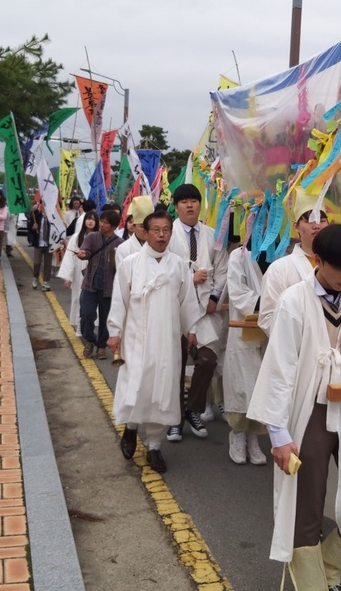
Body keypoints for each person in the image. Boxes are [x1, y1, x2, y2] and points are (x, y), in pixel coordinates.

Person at [247, 224, 341, 591]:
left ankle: (330, 565)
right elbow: (281, 367)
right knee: (309, 502)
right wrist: (279, 435)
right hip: (309, 411)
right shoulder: (294, 300)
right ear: (317, 261)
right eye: (338, 267)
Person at [107, 210, 200, 474]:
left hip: (167, 341)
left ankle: (155, 446)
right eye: (156, 230)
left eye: (166, 230)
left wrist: (191, 328)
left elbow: (187, 301)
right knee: (137, 386)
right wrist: (115, 331)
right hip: (137, 338)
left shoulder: (179, 265)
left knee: (163, 389)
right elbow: (119, 300)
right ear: (145, 233)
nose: (161, 235)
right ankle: (131, 430)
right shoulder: (130, 264)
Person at [166, 184, 228, 442]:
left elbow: (223, 269)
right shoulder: (167, 236)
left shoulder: (213, 235)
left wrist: (215, 298)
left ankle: (193, 409)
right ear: (176, 206)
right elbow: (162, 271)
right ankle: (174, 418)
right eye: (184, 202)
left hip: (205, 311)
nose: (190, 205)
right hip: (175, 311)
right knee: (175, 365)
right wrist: (189, 279)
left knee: (206, 360)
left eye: (194, 200)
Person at [222, 233, 270, 466]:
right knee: (242, 384)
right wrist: (264, 302)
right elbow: (237, 291)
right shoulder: (238, 255)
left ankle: (254, 437)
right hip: (244, 329)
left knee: (263, 384)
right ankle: (238, 434)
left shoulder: (281, 255)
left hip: (271, 330)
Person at [257, 190, 328, 336]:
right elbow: (267, 319)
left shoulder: (340, 265)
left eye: (321, 220)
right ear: (296, 227)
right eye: (309, 220)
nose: (316, 226)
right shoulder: (279, 269)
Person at [78, 209, 123, 360]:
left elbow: (122, 266)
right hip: (90, 284)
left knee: (106, 319)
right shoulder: (92, 237)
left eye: (105, 222)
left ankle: (101, 346)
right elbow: (85, 250)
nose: (101, 224)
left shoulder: (120, 244)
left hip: (109, 288)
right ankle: (90, 340)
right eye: (101, 221)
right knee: (86, 314)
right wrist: (83, 254)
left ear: (114, 226)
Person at [58, 209, 98, 334]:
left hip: (94, 272)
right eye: (88, 219)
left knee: (93, 301)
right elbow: (69, 257)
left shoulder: (99, 237)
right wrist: (67, 276)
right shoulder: (76, 238)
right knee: (78, 298)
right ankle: (80, 325)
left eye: (93, 219)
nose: (90, 221)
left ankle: (89, 325)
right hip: (79, 272)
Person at [116, 196, 154, 270]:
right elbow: (123, 276)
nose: (146, 230)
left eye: (149, 226)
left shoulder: (158, 246)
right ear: (134, 226)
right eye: (142, 226)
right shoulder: (123, 249)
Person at [28, 200, 53, 291]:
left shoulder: (53, 217)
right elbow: (29, 229)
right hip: (38, 243)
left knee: (48, 264)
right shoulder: (36, 215)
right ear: (41, 205)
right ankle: (35, 277)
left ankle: (46, 282)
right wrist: (33, 228)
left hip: (49, 244)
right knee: (37, 262)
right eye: (43, 204)